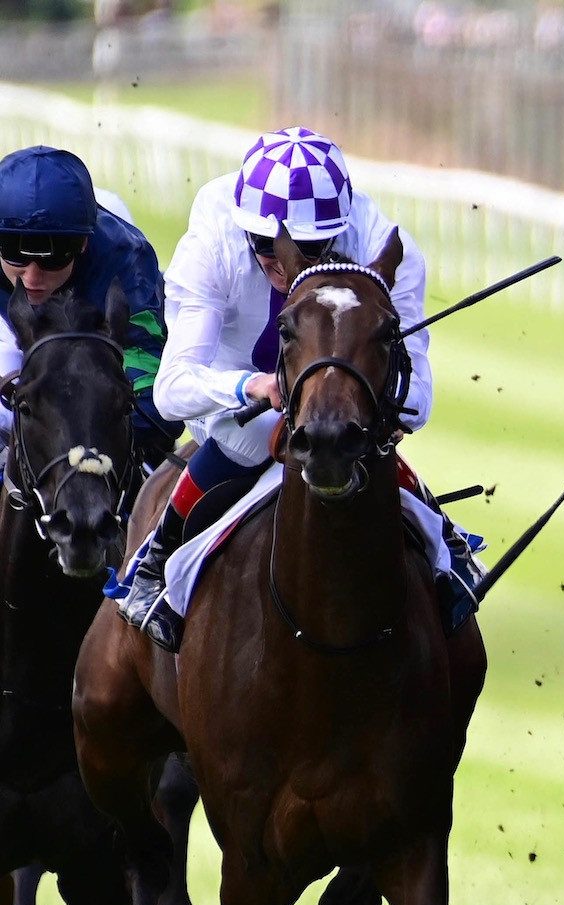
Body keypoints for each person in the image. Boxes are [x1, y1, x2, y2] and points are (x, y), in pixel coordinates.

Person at [117, 127, 479, 652]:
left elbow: (418, 400)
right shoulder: (213, 237)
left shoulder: (382, 246)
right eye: (267, 247)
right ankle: (158, 552)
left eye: (312, 249)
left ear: (340, 231)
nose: (285, 264)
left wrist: (359, 398)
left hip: (341, 399)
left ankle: (441, 544)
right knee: (252, 434)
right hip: (236, 385)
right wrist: (256, 385)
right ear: (245, 229)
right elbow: (173, 388)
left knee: (357, 439)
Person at [0, 145, 180, 463]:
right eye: (14, 253)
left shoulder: (126, 262)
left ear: (83, 244)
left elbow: (156, 404)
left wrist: (75, 429)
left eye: (52, 259)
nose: (31, 277)